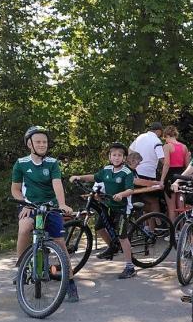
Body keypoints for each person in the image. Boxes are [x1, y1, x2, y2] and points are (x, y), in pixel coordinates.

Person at [10, 126, 79, 302]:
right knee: (24, 228)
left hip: (50, 206)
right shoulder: (21, 163)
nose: (42, 144)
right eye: (38, 142)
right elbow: (16, 189)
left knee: (60, 244)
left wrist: (62, 204)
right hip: (29, 206)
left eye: (45, 142)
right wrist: (24, 203)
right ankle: (23, 269)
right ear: (29, 144)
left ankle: (70, 282)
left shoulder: (53, 163)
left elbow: (57, 184)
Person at [69, 143, 139, 279]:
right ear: (109, 157)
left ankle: (130, 267)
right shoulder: (106, 170)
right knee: (99, 227)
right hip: (109, 205)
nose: (117, 158)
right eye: (114, 155)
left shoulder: (127, 172)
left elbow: (130, 189)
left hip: (122, 208)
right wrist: (79, 177)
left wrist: (122, 195)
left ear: (124, 158)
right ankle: (112, 247)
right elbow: (95, 177)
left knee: (122, 236)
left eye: (120, 155)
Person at [129, 122, 165, 216]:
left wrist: (134, 163)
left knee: (142, 201)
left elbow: (130, 150)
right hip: (149, 174)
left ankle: (147, 227)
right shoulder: (156, 141)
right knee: (153, 201)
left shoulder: (140, 137)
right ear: (158, 131)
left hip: (137, 172)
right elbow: (162, 159)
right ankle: (157, 224)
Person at [161, 126, 191, 221]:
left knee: (172, 208)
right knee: (181, 207)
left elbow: (167, 164)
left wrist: (161, 180)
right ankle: (183, 231)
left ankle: (173, 231)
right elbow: (187, 165)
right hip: (182, 175)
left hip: (170, 175)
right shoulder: (184, 147)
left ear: (167, 135)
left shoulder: (167, 146)